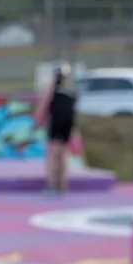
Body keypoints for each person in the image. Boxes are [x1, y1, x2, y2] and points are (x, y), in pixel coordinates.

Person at [37, 67, 78, 195]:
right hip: (68, 121)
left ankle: (52, 185)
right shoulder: (71, 89)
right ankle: (62, 185)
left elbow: (45, 102)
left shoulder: (53, 87)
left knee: (53, 153)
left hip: (57, 120)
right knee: (63, 153)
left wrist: (37, 121)